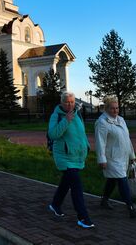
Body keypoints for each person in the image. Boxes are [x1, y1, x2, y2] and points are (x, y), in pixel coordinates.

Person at [47, 92, 94, 229]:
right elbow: (53, 134)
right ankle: (83, 217)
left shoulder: (77, 114)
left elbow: (81, 132)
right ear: (61, 102)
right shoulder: (57, 115)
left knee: (66, 183)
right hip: (64, 156)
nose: (70, 104)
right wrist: (66, 120)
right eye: (67, 102)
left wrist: (86, 146)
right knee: (76, 185)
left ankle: (55, 204)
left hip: (77, 155)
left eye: (72, 102)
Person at [95, 96, 136, 218]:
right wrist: (102, 159)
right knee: (122, 179)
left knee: (113, 179)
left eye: (117, 108)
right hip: (111, 158)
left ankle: (104, 200)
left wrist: (132, 155)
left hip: (123, 156)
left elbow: (127, 139)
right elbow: (100, 142)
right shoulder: (102, 122)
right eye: (112, 108)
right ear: (106, 109)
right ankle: (131, 208)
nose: (115, 111)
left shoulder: (121, 120)